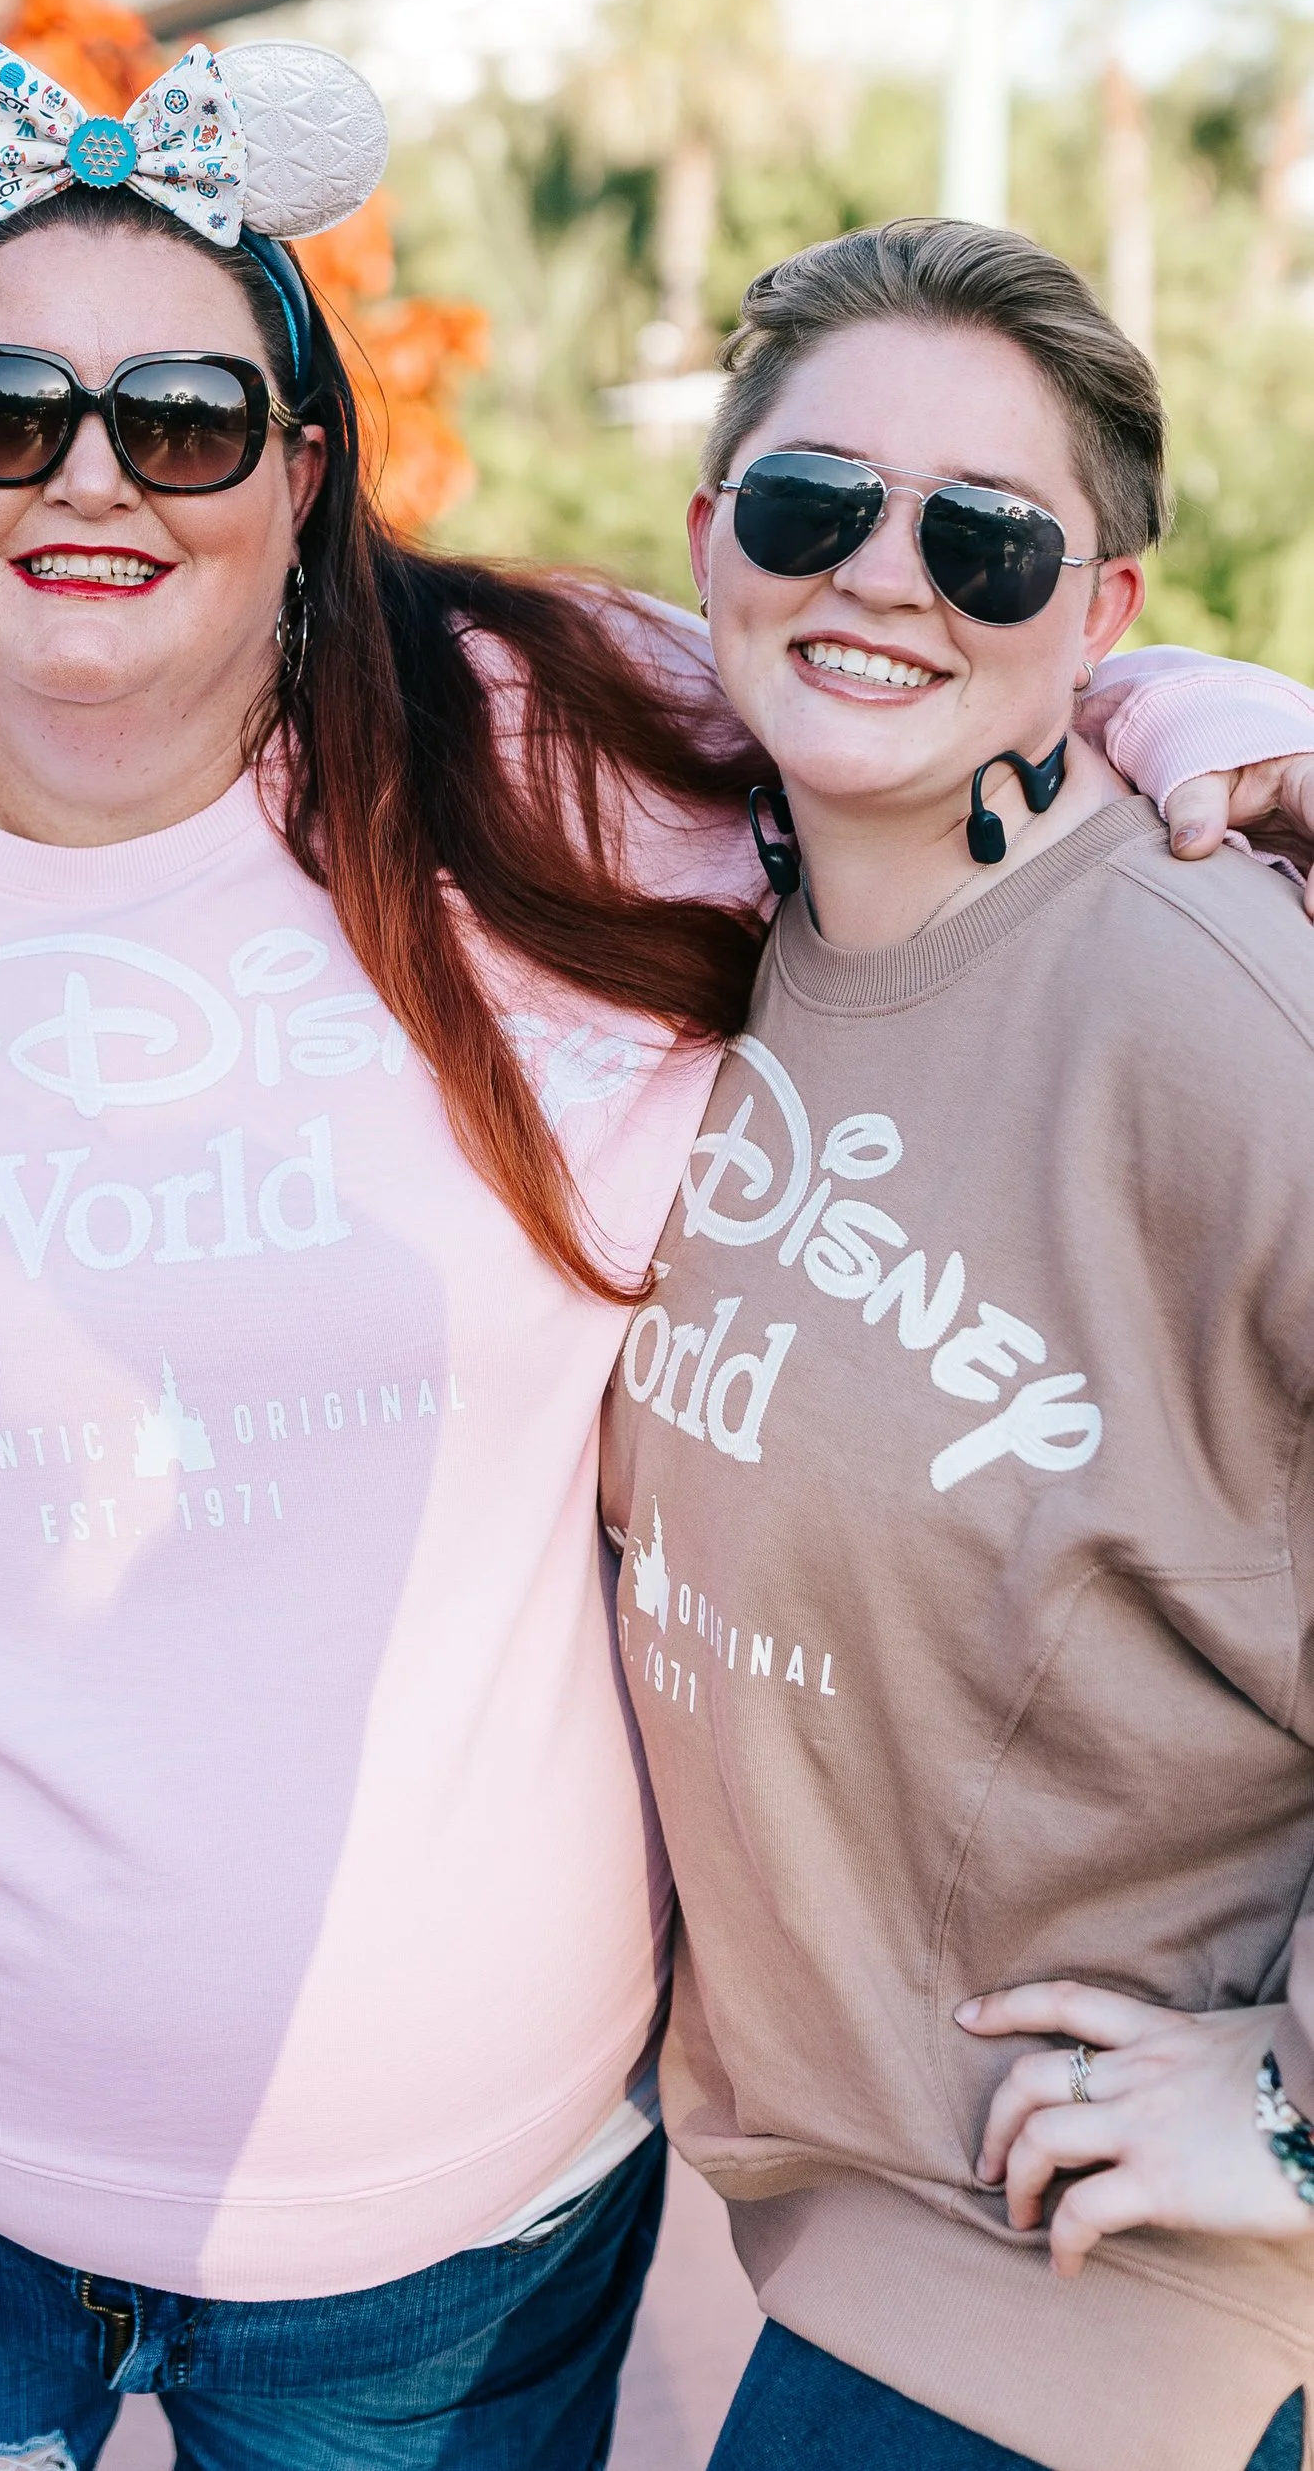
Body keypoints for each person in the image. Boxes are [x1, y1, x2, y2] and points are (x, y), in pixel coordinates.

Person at [0, 23, 1314, 2471]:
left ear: (302, 473)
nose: (90, 478)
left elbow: (887, 676)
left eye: (183, 420)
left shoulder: (563, 742)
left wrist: (1175, 710)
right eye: (2, 410)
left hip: (444, 2249)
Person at [601, 217, 1314, 2471]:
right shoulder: (713, 910)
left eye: (988, 542)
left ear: (1097, 616)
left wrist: (1296, 2115)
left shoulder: (1220, 1013)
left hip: (1078, 2321)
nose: (882, 582)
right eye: (815, 506)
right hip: (853, 2236)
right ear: (714, 539)